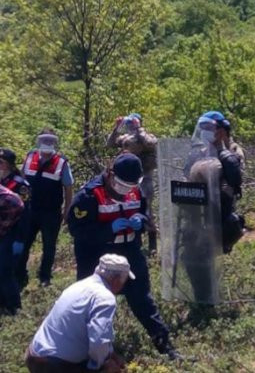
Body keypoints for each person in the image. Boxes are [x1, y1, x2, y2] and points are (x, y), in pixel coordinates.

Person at [67, 153, 180, 359]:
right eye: (121, 185)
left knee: (143, 300)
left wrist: (141, 220)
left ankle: (166, 347)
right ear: (110, 174)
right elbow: (76, 229)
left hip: (129, 253)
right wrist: (107, 229)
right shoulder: (89, 196)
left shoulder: (136, 192)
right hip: (97, 257)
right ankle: (85, 353)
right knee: (92, 305)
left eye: (130, 186)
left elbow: (145, 215)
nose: (125, 190)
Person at [25, 254, 131, 373]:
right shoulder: (105, 297)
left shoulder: (79, 285)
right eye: (124, 281)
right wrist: (101, 366)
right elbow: (99, 341)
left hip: (34, 355)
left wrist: (111, 354)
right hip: (53, 365)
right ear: (116, 281)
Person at [178, 111, 244, 303]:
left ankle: (206, 302)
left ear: (221, 131)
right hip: (194, 214)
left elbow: (230, 186)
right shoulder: (199, 151)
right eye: (203, 128)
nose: (204, 132)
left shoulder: (232, 152)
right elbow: (186, 175)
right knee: (190, 257)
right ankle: (202, 299)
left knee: (200, 256)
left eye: (209, 129)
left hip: (217, 214)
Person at [17, 129, 74, 287]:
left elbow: (68, 187)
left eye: (50, 140)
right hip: (29, 210)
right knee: (24, 243)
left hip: (51, 212)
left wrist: (67, 210)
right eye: (44, 140)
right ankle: (20, 275)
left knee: (49, 246)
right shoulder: (30, 157)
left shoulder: (61, 162)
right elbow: (20, 179)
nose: (47, 143)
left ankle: (45, 277)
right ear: (39, 141)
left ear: (55, 142)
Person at [107, 113, 159, 254]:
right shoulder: (126, 139)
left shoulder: (147, 137)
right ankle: (135, 240)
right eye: (129, 123)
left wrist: (139, 129)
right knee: (129, 208)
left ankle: (152, 244)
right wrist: (117, 127)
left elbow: (150, 143)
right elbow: (110, 144)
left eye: (133, 123)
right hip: (128, 180)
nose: (130, 126)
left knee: (147, 209)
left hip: (145, 178)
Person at [0, 148, 31, 313]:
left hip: (13, 233)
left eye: (1, 163)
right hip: (2, 231)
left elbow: (25, 215)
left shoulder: (20, 185)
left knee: (5, 271)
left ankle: (13, 306)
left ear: (10, 166)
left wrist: (20, 239)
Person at [0, 183, 24, 315]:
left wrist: (3, 227)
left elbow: (19, 204)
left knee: (4, 270)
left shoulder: (8, 198)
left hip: (10, 234)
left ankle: (14, 307)